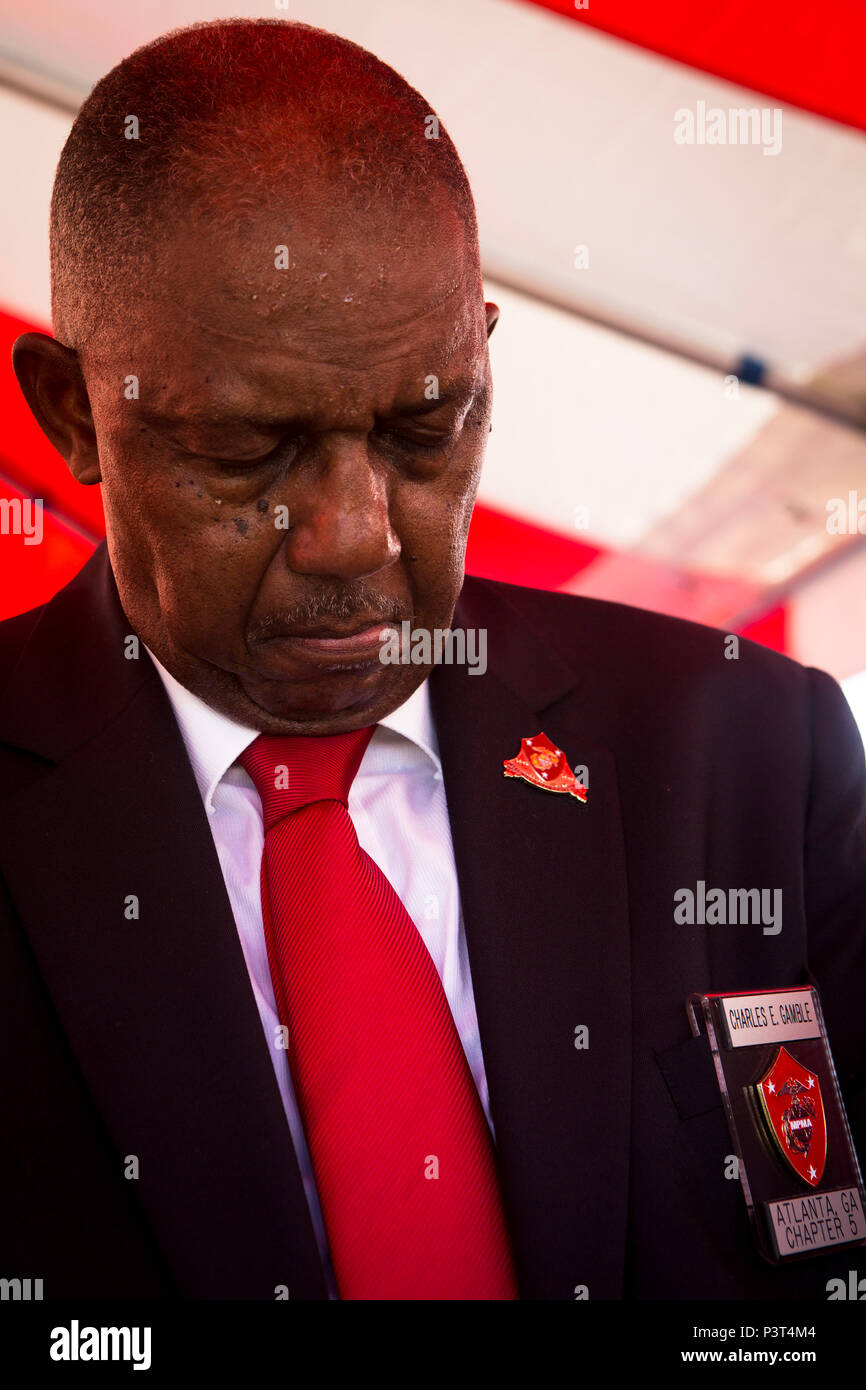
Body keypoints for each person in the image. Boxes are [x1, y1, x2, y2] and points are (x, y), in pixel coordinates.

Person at [2, 17, 864, 1301]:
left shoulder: (748, 748)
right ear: (75, 412)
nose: (352, 537)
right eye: (247, 452)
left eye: (426, 426)